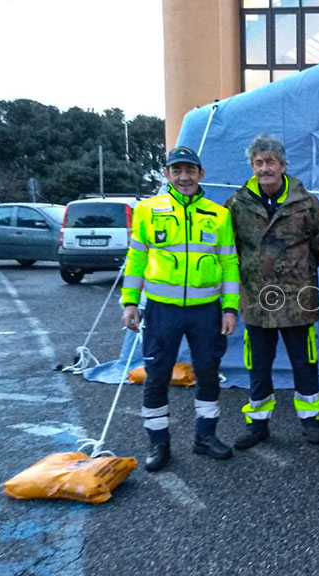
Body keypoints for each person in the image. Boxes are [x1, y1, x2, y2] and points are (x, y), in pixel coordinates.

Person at [121, 146, 240, 472]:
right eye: (177, 170)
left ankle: (205, 437)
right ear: (167, 174)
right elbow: (137, 259)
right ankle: (158, 444)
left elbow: (229, 264)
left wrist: (230, 308)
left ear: (201, 174)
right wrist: (130, 301)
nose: (184, 176)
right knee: (157, 376)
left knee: (207, 374)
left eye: (190, 170)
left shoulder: (219, 214)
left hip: (206, 311)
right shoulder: (148, 210)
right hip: (162, 311)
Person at [225, 134, 319, 448]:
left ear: (283, 165)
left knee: (304, 362)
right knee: (258, 366)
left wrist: (294, 271)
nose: (264, 168)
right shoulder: (236, 204)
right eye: (258, 162)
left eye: (270, 161)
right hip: (256, 302)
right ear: (252, 166)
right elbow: (230, 248)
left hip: (298, 301)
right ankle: (258, 425)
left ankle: (310, 421)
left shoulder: (306, 202)